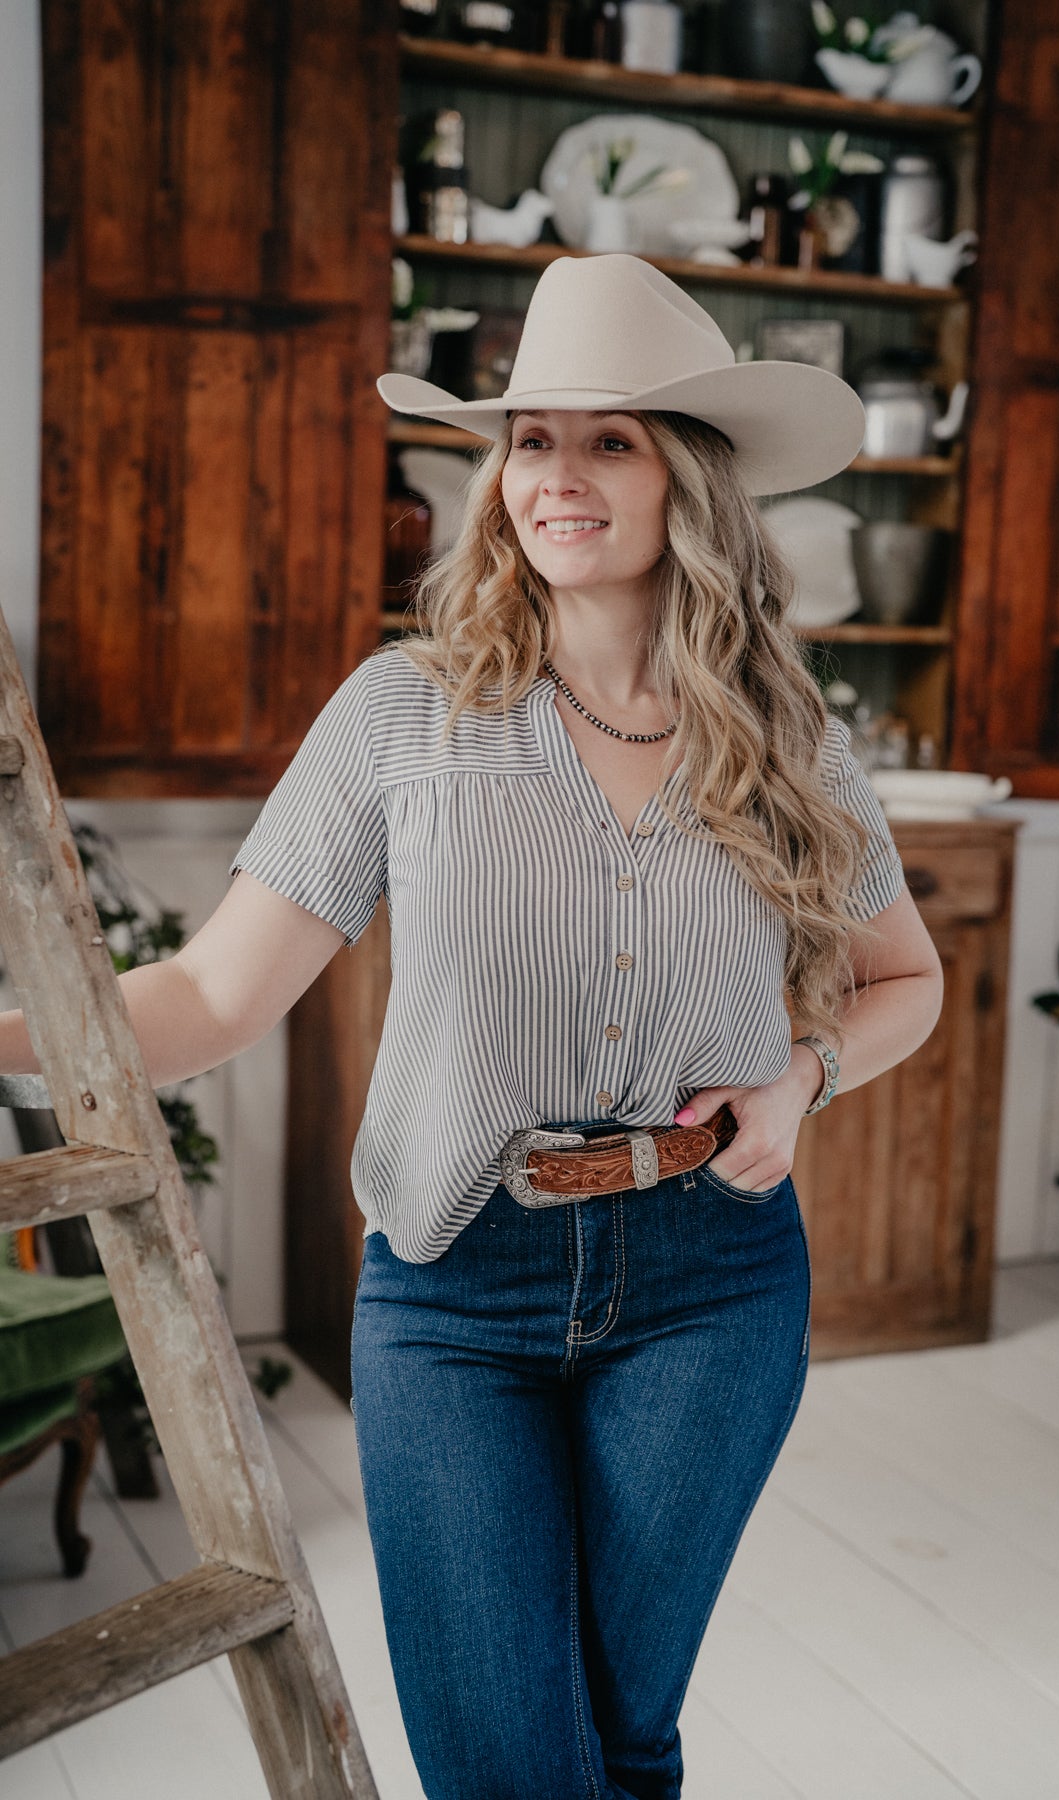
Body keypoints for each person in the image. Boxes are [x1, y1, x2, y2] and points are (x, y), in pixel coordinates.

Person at [1, 253, 943, 1799]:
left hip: (714, 1279)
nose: (554, 475)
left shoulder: (788, 737)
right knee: (509, 1765)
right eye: (528, 438)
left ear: (689, 477)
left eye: (608, 439)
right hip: (454, 1286)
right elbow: (211, 998)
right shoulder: (404, 711)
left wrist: (802, 1074)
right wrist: (8, 1036)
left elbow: (906, 979)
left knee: (623, 1742)